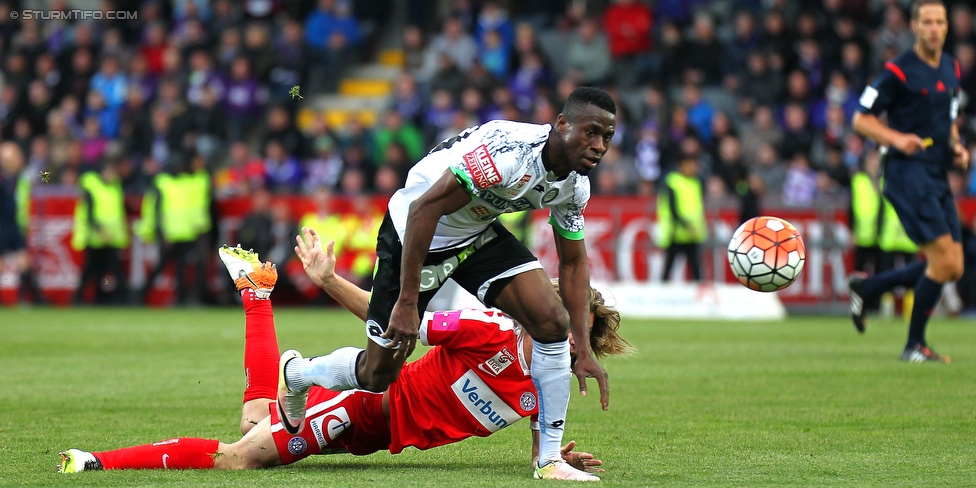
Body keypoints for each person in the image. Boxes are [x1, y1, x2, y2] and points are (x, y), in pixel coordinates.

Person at [57, 238, 631, 478]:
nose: (565, 345)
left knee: (259, 418)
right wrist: (330, 281)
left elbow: (540, 449)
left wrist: (558, 458)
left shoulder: (546, 386)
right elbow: (397, 325)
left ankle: (258, 293)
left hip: (377, 435)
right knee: (239, 458)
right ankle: (95, 462)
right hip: (359, 403)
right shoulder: (488, 334)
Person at [277, 87, 616, 480]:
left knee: (552, 322)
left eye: (607, 137)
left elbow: (573, 263)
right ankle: (298, 374)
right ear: (562, 124)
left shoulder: (574, 186)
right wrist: (407, 303)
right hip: (416, 228)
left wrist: (583, 343)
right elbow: (425, 209)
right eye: (591, 132)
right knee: (377, 374)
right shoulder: (508, 154)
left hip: (475, 228)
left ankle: (549, 461)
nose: (599, 146)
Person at [849, 0, 969, 363]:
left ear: (947, 27)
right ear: (914, 27)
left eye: (940, 22)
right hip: (905, 172)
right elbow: (861, 119)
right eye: (927, 22)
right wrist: (897, 138)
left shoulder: (952, 68)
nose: (934, 28)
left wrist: (957, 145)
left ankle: (867, 287)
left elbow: (947, 118)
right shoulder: (897, 71)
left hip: (935, 171)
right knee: (944, 263)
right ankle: (913, 344)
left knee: (954, 266)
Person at [657, 155, 706, 282]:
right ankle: (660, 295)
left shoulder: (696, 182)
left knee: (696, 269)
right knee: (668, 267)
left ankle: (698, 296)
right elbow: (672, 209)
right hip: (676, 232)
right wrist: (686, 225)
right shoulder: (672, 182)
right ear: (681, 165)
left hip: (693, 234)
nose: (693, 168)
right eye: (690, 165)